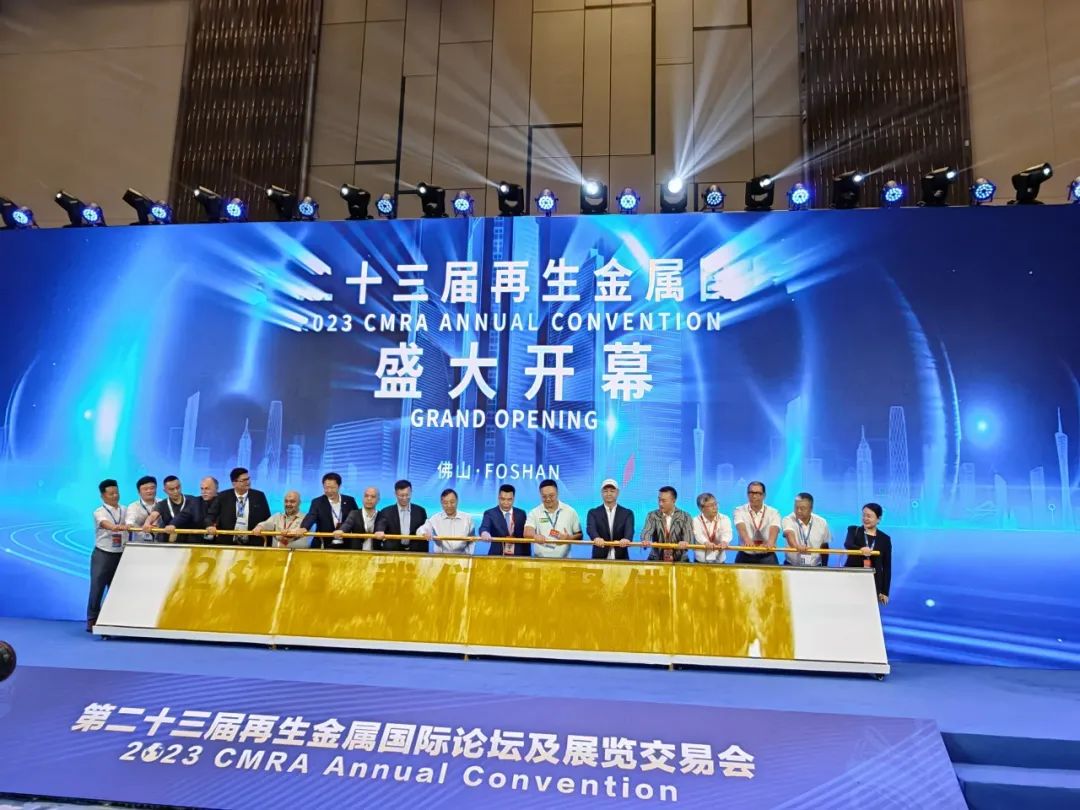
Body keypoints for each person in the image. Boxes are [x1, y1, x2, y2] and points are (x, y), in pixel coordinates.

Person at [88, 479, 127, 632]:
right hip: (103, 554)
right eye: (111, 494)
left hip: (121, 553)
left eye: (117, 492)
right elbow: (105, 524)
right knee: (97, 588)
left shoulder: (125, 509)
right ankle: (92, 618)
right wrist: (115, 527)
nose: (115, 496)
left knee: (117, 588)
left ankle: (113, 619)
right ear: (103, 496)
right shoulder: (99, 511)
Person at [207, 467, 271, 546]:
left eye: (248, 479)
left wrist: (261, 527)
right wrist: (210, 526)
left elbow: (267, 519)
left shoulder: (259, 496)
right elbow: (210, 516)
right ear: (234, 483)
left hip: (253, 543)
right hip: (227, 543)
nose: (248, 482)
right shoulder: (223, 497)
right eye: (244, 480)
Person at [843, 502, 892, 605]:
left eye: (869, 516)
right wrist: (861, 549)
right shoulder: (854, 530)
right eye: (863, 515)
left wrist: (885, 591)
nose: (865, 518)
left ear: (878, 519)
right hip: (851, 578)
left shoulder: (885, 539)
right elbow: (848, 544)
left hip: (874, 582)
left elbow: (887, 567)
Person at [524, 479, 582, 559]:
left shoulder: (570, 511)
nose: (548, 499)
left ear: (557, 493)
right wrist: (535, 536)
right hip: (540, 560)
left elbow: (579, 536)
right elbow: (527, 532)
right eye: (544, 496)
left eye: (551, 495)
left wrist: (568, 538)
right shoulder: (534, 512)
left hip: (564, 561)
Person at [302, 472, 359, 549]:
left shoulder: (349, 501)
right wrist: (304, 527)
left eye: (332, 488)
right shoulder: (317, 502)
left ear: (339, 486)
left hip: (346, 543)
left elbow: (356, 518)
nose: (329, 491)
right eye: (326, 488)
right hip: (324, 543)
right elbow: (311, 516)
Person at [733, 481, 782, 564]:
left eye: (758, 493)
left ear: (764, 495)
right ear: (747, 494)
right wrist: (747, 539)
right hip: (745, 555)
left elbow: (775, 527)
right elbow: (740, 526)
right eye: (751, 493)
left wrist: (771, 541)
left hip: (767, 555)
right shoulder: (739, 510)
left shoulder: (773, 512)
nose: (754, 496)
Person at [585, 479, 635, 560]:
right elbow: (591, 529)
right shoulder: (593, 513)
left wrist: (626, 539)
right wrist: (596, 538)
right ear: (601, 493)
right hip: (599, 558)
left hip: (621, 558)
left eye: (612, 491)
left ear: (617, 492)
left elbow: (629, 530)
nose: (609, 494)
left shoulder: (627, 513)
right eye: (605, 491)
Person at [641, 486, 694, 562]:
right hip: (656, 559)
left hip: (680, 560)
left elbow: (689, 534)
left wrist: (686, 542)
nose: (660, 503)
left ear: (674, 500)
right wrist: (646, 540)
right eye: (659, 500)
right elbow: (647, 530)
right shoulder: (652, 515)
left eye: (664, 501)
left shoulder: (685, 516)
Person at [374, 479, 428, 552]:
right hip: (393, 551)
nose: (404, 498)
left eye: (407, 495)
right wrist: (379, 531)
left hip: (415, 551)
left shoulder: (420, 511)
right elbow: (381, 524)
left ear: (411, 492)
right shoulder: (386, 511)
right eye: (401, 495)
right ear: (395, 494)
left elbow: (425, 528)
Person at [782, 492, 831, 567]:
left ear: (811, 508)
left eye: (802, 508)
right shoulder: (788, 519)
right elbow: (789, 534)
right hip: (791, 566)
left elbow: (825, 546)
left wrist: (824, 568)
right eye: (796, 507)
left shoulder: (822, 522)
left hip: (816, 566)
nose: (798, 511)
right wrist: (797, 546)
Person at [419, 488, 475, 554]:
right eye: (445, 503)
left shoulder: (468, 518)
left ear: (457, 501)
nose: (449, 506)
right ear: (441, 503)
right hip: (441, 557)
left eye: (452, 502)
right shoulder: (435, 518)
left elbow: (472, 540)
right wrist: (424, 533)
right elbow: (421, 529)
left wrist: (469, 556)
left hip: (462, 557)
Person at [479, 484, 529, 557]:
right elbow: (484, 527)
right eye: (503, 499)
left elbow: (525, 535)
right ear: (498, 498)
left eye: (509, 500)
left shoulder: (521, 513)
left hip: (519, 556)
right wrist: (484, 533)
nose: (506, 503)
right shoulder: (490, 513)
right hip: (497, 555)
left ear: (513, 499)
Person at [143, 475, 194, 542]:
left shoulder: (192, 500)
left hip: (190, 540)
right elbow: (153, 515)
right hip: (168, 540)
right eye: (171, 489)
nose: (176, 491)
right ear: (165, 491)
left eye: (178, 487)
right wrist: (147, 523)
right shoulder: (162, 504)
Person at [169, 476, 218, 541]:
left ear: (216, 488)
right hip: (197, 541)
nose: (203, 492)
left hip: (220, 541)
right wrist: (173, 524)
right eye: (202, 489)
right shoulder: (195, 502)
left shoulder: (223, 501)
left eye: (207, 489)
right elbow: (183, 515)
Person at [692, 492, 732, 563]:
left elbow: (727, 533)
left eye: (715, 504)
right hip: (701, 562)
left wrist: (724, 541)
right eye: (711, 505)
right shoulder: (695, 520)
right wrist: (706, 542)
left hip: (720, 561)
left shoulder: (724, 518)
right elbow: (698, 535)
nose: (715, 507)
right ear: (701, 508)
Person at [126, 476, 159, 543]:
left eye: (152, 488)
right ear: (139, 492)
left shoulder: (162, 503)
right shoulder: (133, 506)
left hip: (160, 542)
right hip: (140, 542)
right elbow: (130, 520)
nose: (149, 491)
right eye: (145, 489)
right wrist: (129, 524)